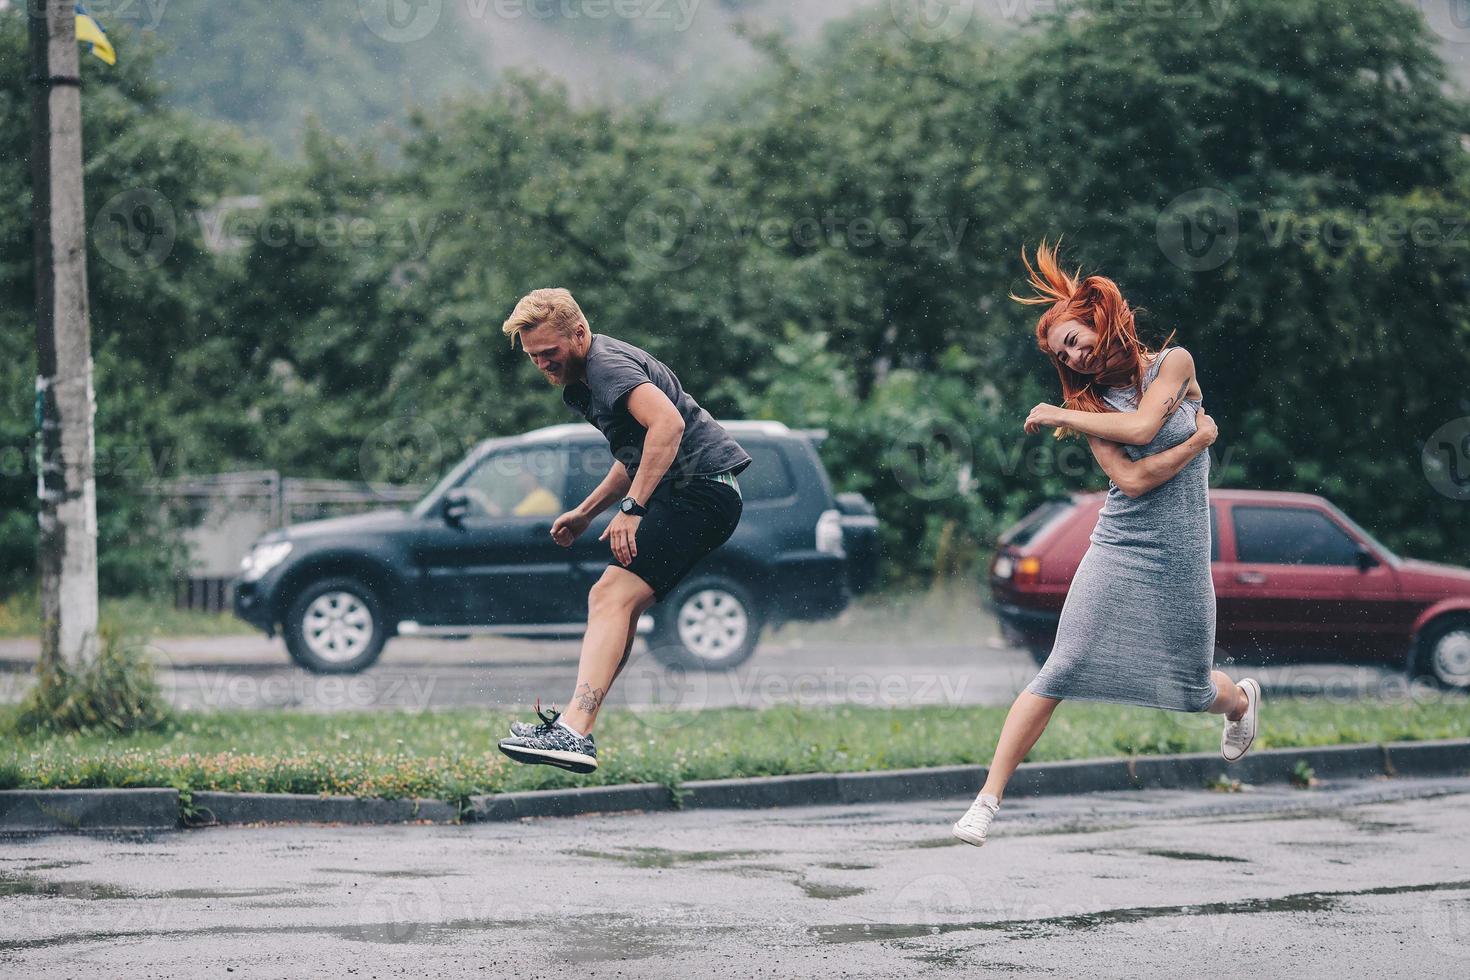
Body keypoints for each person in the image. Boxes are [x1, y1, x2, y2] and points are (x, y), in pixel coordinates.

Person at [952, 242, 1261, 847]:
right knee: (1060, 667)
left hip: (1179, 551)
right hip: (1118, 543)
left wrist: (1054, 412)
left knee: (1191, 684)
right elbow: (1133, 478)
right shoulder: (1087, 405)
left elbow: (1144, 429)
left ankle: (1241, 705)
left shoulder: (1173, 364)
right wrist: (1197, 443)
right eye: (1062, 353)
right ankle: (987, 801)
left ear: (1098, 319)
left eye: (1073, 338)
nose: (1074, 355)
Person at [495, 288, 752, 774]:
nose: (544, 365)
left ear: (579, 333)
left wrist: (632, 509)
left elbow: (668, 427)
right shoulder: (590, 373)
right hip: (699, 494)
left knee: (608, 596)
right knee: (620, 603)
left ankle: (576, 729)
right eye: (533, 357)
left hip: (699, 491)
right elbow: (636, 454)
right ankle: (576, 724)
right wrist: (587, 512)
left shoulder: (606, 367)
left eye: (550, 353)